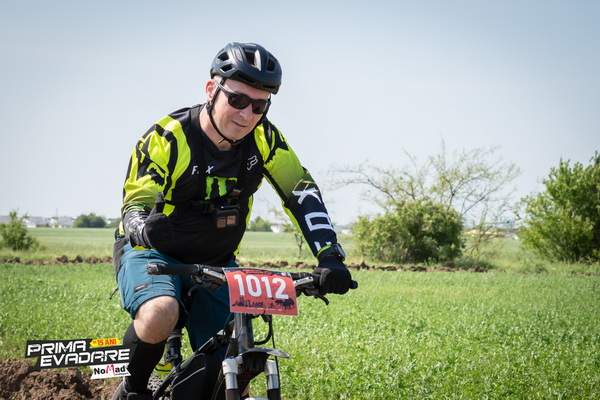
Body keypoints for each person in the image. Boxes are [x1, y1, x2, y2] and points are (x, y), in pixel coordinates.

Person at [111, 42, 353, 399]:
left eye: (259, 105)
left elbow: (300, 191)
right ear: (212, 89)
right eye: (237, 100)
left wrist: (330, 255)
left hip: (217, 261)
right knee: (161, 311)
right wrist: (144, 228)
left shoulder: (264, 137)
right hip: (151, 252)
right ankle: (131, 390)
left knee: (236, 362)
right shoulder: (168, 137)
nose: (247, 114)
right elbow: (136, 203)